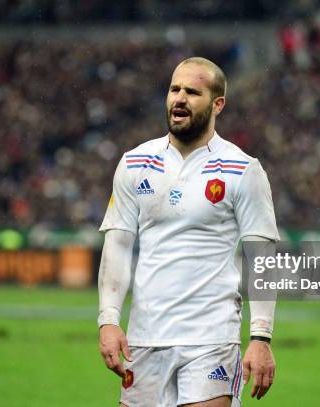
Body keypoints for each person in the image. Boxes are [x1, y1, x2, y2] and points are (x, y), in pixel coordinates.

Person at [98, 57, 279, 407]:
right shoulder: (135, 162)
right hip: (145, 338)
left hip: (211, 338)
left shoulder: (243, 169)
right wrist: (108, 320)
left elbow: (262, 256)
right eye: (174, 89)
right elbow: (118, 246)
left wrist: (261, 336)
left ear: (217, 104)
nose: (179, 98)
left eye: (192, 92)